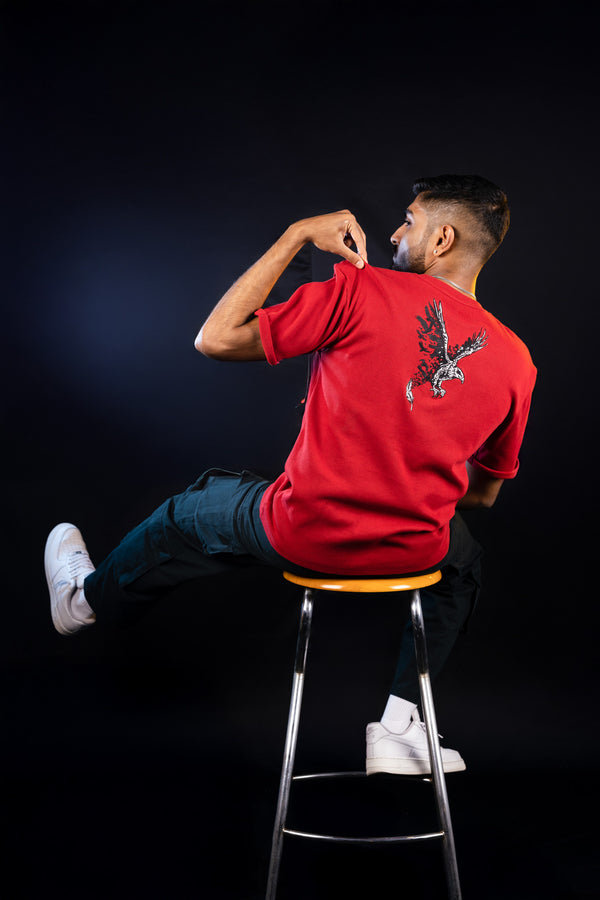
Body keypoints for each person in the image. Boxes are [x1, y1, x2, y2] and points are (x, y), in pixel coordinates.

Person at [44, 175, 536, 776]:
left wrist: (296, 234)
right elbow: (483, 495)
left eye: (408, 220)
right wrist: (407, 481)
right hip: (414, 547)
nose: (394, 232)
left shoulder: (361, 290)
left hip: (306, 531)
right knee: (464, 565)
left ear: (442, 239)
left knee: (189, 512)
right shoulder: (516, 361)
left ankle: (84, 600)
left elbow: (215, 338)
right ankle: (402, 723)